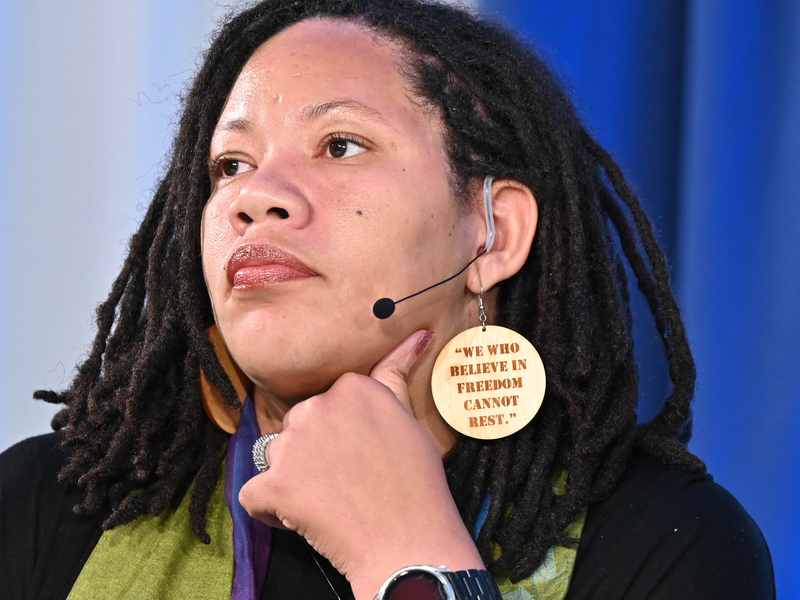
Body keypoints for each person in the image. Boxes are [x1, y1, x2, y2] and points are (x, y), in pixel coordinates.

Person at [0, 0, 775, 599]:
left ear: (492, 232)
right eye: (230, 164)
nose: (254, 196)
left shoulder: (669, 547)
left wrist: (409, 560)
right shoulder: (47, 510)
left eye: (341, 145)